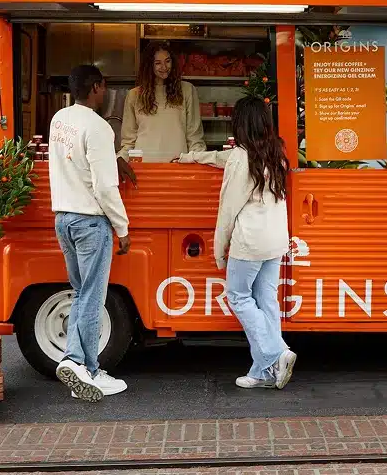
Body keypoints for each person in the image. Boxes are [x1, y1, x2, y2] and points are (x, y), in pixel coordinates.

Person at [177, 97, 296, 389]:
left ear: (240, 125)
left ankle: (276, 352)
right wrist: (193, 156)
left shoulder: (241, 159)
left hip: (250, 243)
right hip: (275, 241)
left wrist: (219, 250)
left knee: (239, 297)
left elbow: (227, 210)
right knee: (266, 301)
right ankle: (263, 373)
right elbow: (222, 158)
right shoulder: (274, 154)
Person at [49, 65, 131, 402]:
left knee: (81, 293)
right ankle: (80, 363)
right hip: (89, 222)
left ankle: (84, 367)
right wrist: (122, 227)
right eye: (104, 87)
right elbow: (105, 186)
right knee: (92, 296)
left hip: (63, 218)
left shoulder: (59, 120)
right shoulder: (98, 127)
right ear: (96, 87)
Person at [119, 43, 206, 163]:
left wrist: (200, 161)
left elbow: (194, 136)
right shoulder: (134, 95)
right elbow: (129, 141)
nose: (164, 67)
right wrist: (119, 160)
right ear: (149, 66)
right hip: (144, 167)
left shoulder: (187, 90)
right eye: (157, 63)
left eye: (167, 61)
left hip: (178, 166)